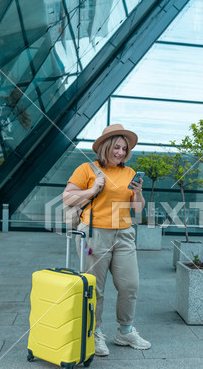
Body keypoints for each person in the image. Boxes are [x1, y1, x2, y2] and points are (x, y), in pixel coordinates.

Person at [63, 124, 151, 356]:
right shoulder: (87, 168)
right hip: (94, 234)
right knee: (95, 288)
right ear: (105, 147)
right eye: (116, 147)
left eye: (124, 148)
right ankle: (95, 333)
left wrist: (139, 192)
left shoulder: (130, 173)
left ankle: (125, 331)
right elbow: (67, 195)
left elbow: (137, 209)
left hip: (124, 234)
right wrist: (92, 190)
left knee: (130, 284)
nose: (120, 152)